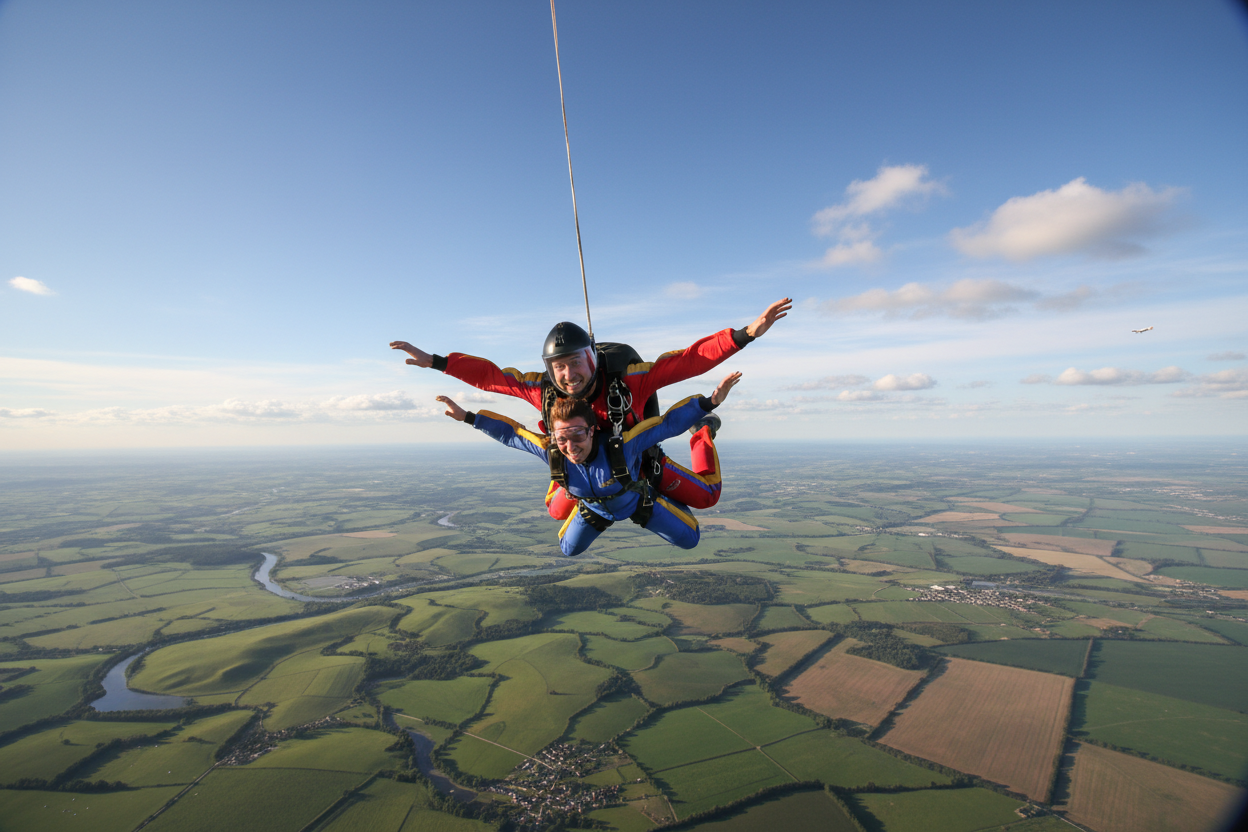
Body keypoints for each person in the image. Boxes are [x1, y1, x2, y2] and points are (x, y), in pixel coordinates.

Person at [390, 298, 790, 517]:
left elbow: (685, 360)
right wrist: (437, 362)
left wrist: (744, 335)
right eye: (558, 367)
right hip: (580, 469)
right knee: (556, 510)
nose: (567, 375)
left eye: (575, 362)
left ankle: (702, 433)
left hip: (638, 462)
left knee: (706, 498)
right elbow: (493, 377)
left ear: (593, 358)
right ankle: (575, 483)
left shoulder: (628, 379)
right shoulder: (544, 390)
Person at [436, 372, 741, 557]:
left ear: (593, 429)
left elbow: (666, 424)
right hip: (592, 506)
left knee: (691, 539)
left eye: (578, 435)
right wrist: (468, 417)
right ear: (553, 436)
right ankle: (572, 488)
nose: (571, 446)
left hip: (637, 502)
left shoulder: (624, 446)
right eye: (562, 438)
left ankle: (700, 437)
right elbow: (512, 433)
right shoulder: (553, 449)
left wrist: (709, 402)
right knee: (567, 547)